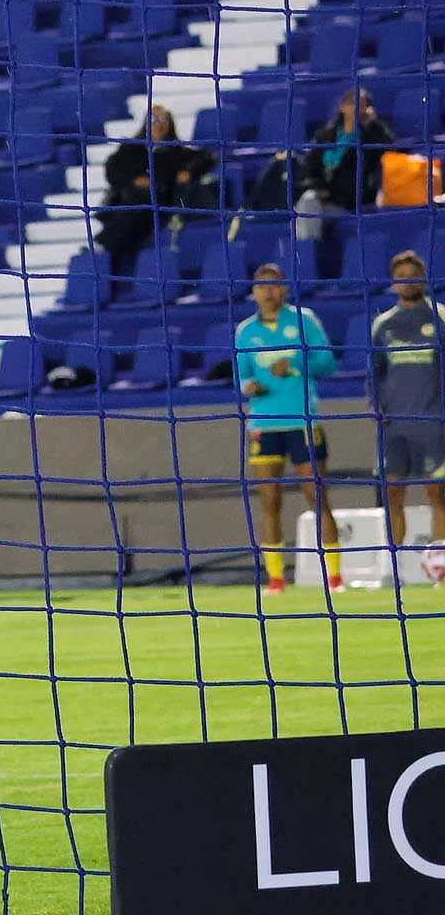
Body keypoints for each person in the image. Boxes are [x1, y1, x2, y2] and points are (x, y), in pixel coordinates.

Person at [237, 263, 341, 595]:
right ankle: (276, 580)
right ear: (254, 292)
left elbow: (327, 362)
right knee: (269, 500)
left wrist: (295, 363)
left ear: (284, 288)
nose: (268, 291)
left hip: (302, 421)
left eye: (273, 285)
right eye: (261, 286)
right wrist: (250, 387)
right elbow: (242, 376)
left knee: (316, 496)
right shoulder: (245, 331)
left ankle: (335, 579)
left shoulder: (303, 321)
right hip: (264, 424)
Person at [369, 250, 445, 562]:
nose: (407, 281)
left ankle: (440, 569)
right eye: (401, 277)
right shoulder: (383, 324)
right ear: (393, 282)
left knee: (438, 494)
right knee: (392, 493)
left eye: (413, 275)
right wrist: (376, 406)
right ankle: (394, 567)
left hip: (434, 424)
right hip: (395, 427)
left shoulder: (440, 318)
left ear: (423, 278)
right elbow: (374, 373)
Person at [97, 105, 215, 275]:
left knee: (145, 202)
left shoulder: (178, 153)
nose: (157, 124)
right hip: (130, 201)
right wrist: (133, 180)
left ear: (170, 124)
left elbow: (206, 158)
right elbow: (112, 171)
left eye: (162, 119)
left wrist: (189, 172)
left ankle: (106, 244)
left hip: (161, 204)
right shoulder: (129, 150)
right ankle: (108, 250)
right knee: (136, 202)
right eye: (152, 119)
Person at [298, 88, 395, 212]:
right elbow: (309, 166)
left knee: (307, 206)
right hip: (322, 195)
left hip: (349, 202)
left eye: (361, 104)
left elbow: (391, 149)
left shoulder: (369, 136)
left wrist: (373, 122)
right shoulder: (325, 135)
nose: (356, 107)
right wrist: (319, 187)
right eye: (352, 102)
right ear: (342, 106)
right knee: (308, 201)